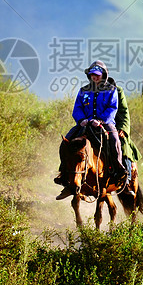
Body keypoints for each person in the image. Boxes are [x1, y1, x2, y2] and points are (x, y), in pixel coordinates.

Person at [54, 60, 123, 199]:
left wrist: (101, 120)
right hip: (85, 123)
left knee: (115, 140)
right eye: (92, 75)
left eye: (97, 75)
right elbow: (78, 107)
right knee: (66, 142)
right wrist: (82, 120)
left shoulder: (111, 89)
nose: (95, 77)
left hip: (105, 123)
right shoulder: (83, 90)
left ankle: (118, 171)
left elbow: (112, 108)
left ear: (103, 75)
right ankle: (64, 174)